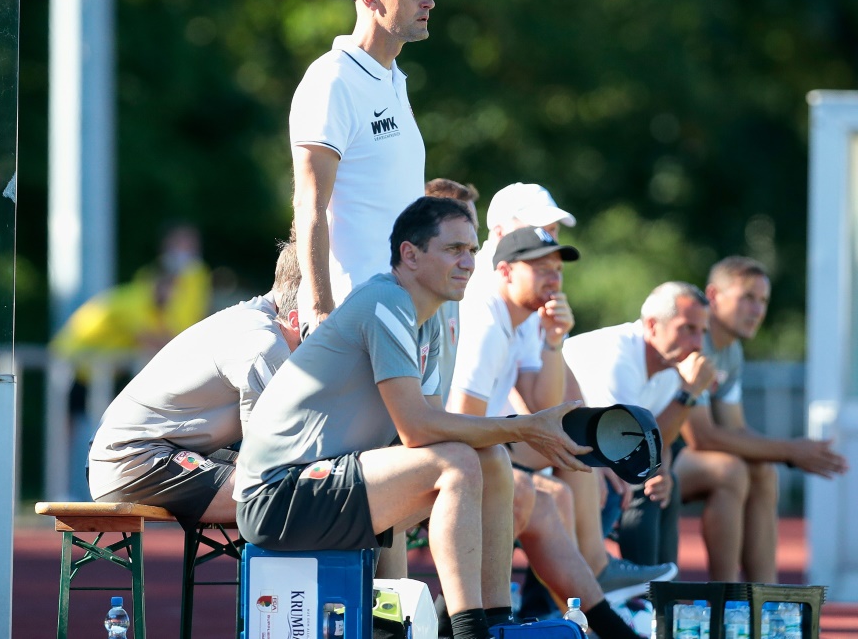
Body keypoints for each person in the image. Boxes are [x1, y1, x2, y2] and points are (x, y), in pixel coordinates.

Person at [235, 197, 644, 639]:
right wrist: (525, 427)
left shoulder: (424, 318)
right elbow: (418, 429)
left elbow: (428, 427)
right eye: (454, 250)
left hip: (327, 480)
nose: (469, 262)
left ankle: (495, 622)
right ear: (410, 254)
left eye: (471, 250)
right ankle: (470, 633)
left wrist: (520, 430)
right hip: (278, 493)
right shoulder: (385, 300)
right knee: (458, 463)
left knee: (489, 459)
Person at [449, 226, 675, 616]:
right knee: (576, 450)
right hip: (459, 450)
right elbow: (462, 419)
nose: (553, 278)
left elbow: (546, 402)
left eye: (557, 269)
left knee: (565, 483)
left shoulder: (522, 321)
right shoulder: (487, 317)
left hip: (487, 444)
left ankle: (573, 609)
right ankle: (593, 587)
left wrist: (554, 340)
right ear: (504, 272)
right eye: (539, 267)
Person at [290, 0, 453, 335]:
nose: (428, 1)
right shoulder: (333, 79)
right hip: (355, 313)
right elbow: (310, 202)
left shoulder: (393, 79)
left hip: (401, 308)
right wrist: (321, 312)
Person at [86, 242, 301, 529]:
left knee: (304, 481)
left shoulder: (255, 314)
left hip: (142, 450)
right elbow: (263, 459)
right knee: (287, 492)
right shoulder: (264, 342)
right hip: (133, 459)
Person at [674, 257, 849, 581]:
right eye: (747, 298)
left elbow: (734, 429)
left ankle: (762, 602)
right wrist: (790, 450)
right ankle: (725, 602)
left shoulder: (731, 351)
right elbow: (702, 437)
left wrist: (787, 454)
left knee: (764, 471)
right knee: (731, 470)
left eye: (763, 301)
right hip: (637, 463)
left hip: (676, 461)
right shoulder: (694, 339)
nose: (757, 310)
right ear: (713, 296)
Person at [52, 222, 214, 499]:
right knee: (71, 431)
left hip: (98, 369)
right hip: (74, 363)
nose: (174, 296)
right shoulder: (138, 302)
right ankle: (63, 490)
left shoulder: (154, 304)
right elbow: (158, 340)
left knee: (97, 429)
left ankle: (84, 489)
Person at [563, 282, 717, 570]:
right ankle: (641, 595)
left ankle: (662, 597)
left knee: (663, 484)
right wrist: (689, 393)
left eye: (703, 332)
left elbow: (661, 440)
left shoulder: (669, 365)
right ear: (652, 326)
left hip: (595, 455)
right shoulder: (618, 357)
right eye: (687, 329)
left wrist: (665, 471)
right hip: (555, 454)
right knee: (638, 484)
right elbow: (631, 445)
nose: (698, 344)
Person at [424, 177, 480, 406]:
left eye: (474, 232)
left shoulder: (453, 293)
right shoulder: (408, 302)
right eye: (457, 244)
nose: (468, 261)